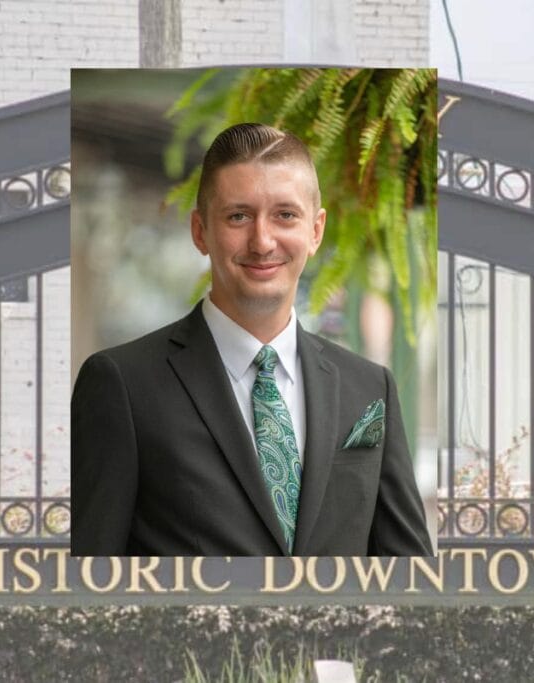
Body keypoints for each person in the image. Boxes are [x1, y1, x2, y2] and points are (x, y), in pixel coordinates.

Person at [71, 122, 432, 557]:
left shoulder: (370, 388)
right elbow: (89, 584)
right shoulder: (122, 386)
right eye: (238, 216)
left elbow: (409, 581)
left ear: (315, 231)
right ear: (201, 231)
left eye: (285, 215)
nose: (262, 241)